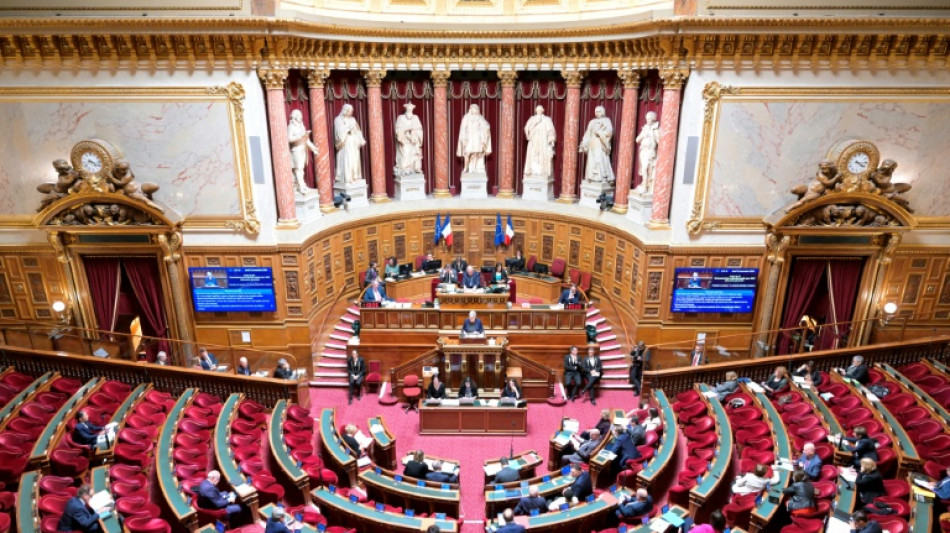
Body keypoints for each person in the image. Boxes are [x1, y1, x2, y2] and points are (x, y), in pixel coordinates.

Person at [578, 105, 614, 183]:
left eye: (599, 111)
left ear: (603, 112)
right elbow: (588, 133)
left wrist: (600, 133)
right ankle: (592, 177)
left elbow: (609, 132)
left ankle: (601, 177)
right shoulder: (592, 122)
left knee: (600, 160)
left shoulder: (606, 121)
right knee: (592, 160)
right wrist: (584, 143)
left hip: (600, 144)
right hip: (592, 144)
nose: (597, 113)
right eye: (596, 111)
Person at [333, 103, 366, 185]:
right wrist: (348, 128)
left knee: (355, 159)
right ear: (345, 111)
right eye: (349, 111)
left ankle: (355, 176)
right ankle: (347, 178)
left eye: (352, 111)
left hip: (354, 142)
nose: (351, 113)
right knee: (348, 159)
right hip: (345, 143)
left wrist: (360, 139)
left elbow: (358, 130)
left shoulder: (353, 119)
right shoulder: (338, 119)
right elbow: (338, 133)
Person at [287, 109, 318, 194]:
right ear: (294, 116)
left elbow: (306, 140)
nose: (300, 117)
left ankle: (302, 185)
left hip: (302, 149)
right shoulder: (291, 127)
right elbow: (289, 139)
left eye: (301, 115)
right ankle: (300, 186)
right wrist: (299, 137)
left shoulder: (302, 126)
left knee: (301, 169)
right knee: (298, 169)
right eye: (298, 115)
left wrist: (313, 148)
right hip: (295, 150)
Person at [456, 104, 492, 174]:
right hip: (469, 137)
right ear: (470, 109)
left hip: (477, 137)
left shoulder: (480, 117)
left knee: (475, 153)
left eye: (476, 109)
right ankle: (466, 167)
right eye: (473, 109)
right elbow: (463, 128)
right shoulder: (466, 117)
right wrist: (463, 137)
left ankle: (474, 168)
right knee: (467, 153)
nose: (474, 110)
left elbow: (486, 125)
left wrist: (485, 129)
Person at [523, 105, 556, 179]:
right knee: (533, 156)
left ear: (543, 110)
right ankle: (532, 171)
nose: (539, 111)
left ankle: (542, 171)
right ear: (535, 110)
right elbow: (527, 128)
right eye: (538, 110)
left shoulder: (547, 119)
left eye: (540, 110)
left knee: (542, 155)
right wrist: (535, 123)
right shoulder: (532, 119)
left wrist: (551, 140)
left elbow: (551, 131)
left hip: (543, 141)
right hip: (533, 141)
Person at [393, 103, 424, 175]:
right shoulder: (401, 118)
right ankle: (404, 169)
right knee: (405, 154)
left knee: (415, 156)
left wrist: (415, 133)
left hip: (413, 141)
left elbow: (419, 129)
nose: (409, 111)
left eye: (411, 110)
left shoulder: (415, 118)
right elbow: (398, 129)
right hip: (405, 141)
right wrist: (407, 129)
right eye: (408, 110)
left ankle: (415, 168)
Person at [635, 110, 660, 193]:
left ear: (653, 119)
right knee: (644, 169)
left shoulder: (656, 129)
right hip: (643, 151)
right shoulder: (645, 128)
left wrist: (652, 134)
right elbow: (637, 140)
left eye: (649, 119)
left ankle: (647, 186)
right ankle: (645, 185)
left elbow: (659, 141)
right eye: (647, 119)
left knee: (647, 169)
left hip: (651, 151)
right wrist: (643, 135)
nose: (647, 120)